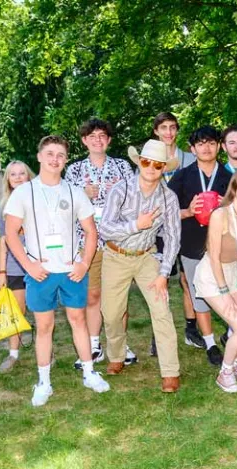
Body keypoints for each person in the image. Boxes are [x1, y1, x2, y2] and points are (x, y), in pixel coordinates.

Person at [4, 135, 110, 407]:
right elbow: (11, 234)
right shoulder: (23, 192)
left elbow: (91, 231)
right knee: (44, 326)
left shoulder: (74, 192)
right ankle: (43, 382)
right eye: (50, 153)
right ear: (39, 157)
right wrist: (29, 265)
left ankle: (89, 372)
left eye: (60, 155)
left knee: (78, 320)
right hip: (40, 271)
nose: (55, 159)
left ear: (66, 160)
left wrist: (84, 263)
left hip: (71, 269)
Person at [98, 140, 183, 392]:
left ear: (164, 168)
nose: (151, 168)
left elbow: (173, 237)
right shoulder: (120, 189)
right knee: (111, 314)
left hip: (147, 257)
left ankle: (170, 371)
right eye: (146, 162)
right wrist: (136, 224)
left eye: (157, 165)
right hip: (115, 257)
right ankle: (116, 355)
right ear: (139, 162)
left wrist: (164, 274)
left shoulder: (169, 198)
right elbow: (104, 229)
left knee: (162, 311)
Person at [64, 118, 136, 368]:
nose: (98, 140)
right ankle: (94, 345)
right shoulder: (74, 170)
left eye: (102, 135)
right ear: (84, 141)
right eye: (92, 136)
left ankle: (120, 345)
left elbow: (135, 199)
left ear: (109, 140)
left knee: (118, 297)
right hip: (88, 241)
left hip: (118, 240)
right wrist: (82, 195)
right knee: (93, 294)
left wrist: (119, 193)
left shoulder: (122, 167)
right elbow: (64, 205)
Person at [168, 126, 232, 366]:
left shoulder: (229, 177)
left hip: (223, 244)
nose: (206, 148)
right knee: (200, 296)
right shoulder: (182, 177)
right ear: (192, 149)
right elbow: (166, 211)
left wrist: (228, 208)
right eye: (201, 144)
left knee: (228, 290)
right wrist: (187, 211)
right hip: (192, 243)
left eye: (211, 143)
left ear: (219, 147)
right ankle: (210, 344)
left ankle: (231, 332)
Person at [194, 169, 237, 392]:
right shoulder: (220, 215)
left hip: (235, 273)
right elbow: (214, 256)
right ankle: (225, 372)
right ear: (234, 186)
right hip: (213, 276)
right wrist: (224, 291)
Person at [146, 112, 204, 356]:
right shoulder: (149, 159)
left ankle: (192, 329)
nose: (168, 132)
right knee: (160, 281)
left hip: (189, 226)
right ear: (156, 131)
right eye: (163, 128)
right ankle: (158, 334)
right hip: (160, 230)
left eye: (172, 127)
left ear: (177, 130)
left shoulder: (191, 158)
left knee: (189, 279)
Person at [0, 160, 36, 373]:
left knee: (41, 311)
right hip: (14, 267)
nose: (19, 177)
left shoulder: (39, 200)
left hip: (38, 265)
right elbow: (3, 240)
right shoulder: (5, 206)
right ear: (8, 180)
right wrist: (2, 271)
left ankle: (46, 352)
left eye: (22, 173)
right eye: (13, 174)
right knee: (17, 312)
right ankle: (13, 354)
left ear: (29, 176)